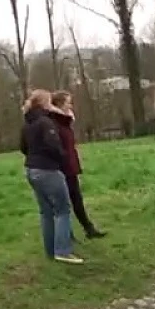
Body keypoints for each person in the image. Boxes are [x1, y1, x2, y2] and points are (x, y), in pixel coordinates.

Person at [21, 89, 84, 264]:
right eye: (49, 102)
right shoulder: (45, 122)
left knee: (45, 212)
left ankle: (51, 250)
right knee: (63, 210)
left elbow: (23, 147)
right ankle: (63, 250)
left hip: (31, 170)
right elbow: (53, 146)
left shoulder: (27, 123)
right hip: (48, 170)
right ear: (43, 104)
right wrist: (61, 157)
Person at [49, 91, 107, 240]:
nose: (71, 105)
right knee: (64, 204)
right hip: (63, 169)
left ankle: (88, 229)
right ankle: (69, 233)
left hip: (70, 167)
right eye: (68, 102)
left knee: (76, 200)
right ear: (60, 105)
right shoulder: (55, 124)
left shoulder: (65, 122)